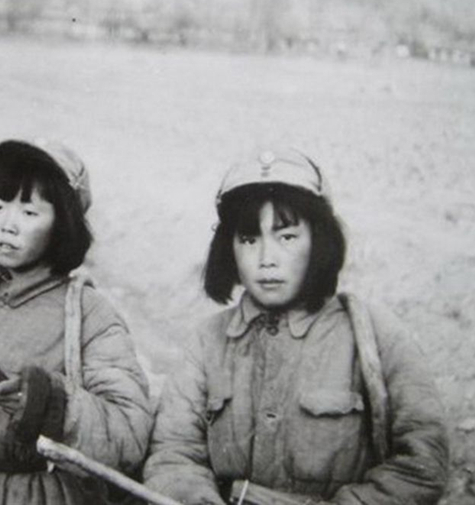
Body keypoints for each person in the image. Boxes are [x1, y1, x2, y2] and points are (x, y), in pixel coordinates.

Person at [143, 147, 449, 504]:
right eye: (249, 239)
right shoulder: (206, 342)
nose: (267, 259)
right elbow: (173, 456)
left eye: (286, 236)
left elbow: (421, 467)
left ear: (319, 240)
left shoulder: (376, 336)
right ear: (229, 249)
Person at [0, 139, 152, 505]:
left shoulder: (88, 314)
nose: (7, 225)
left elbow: (129, 433)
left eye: (29, 213)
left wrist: (53, 405)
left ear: (62, 225)